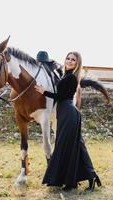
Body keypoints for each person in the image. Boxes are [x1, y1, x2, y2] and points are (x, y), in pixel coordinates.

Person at [34, 52, 101, 191]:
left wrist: (43, 91)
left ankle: (71, 183)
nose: (70, 61)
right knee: (77, 146)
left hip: (69, 113)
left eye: (73, 60)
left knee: (65, 146)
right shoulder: (65, 75)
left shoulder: (72, 78)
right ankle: (91, 177)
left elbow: (61, 96)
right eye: (68, 58)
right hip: (65, 113)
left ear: (77, 63)